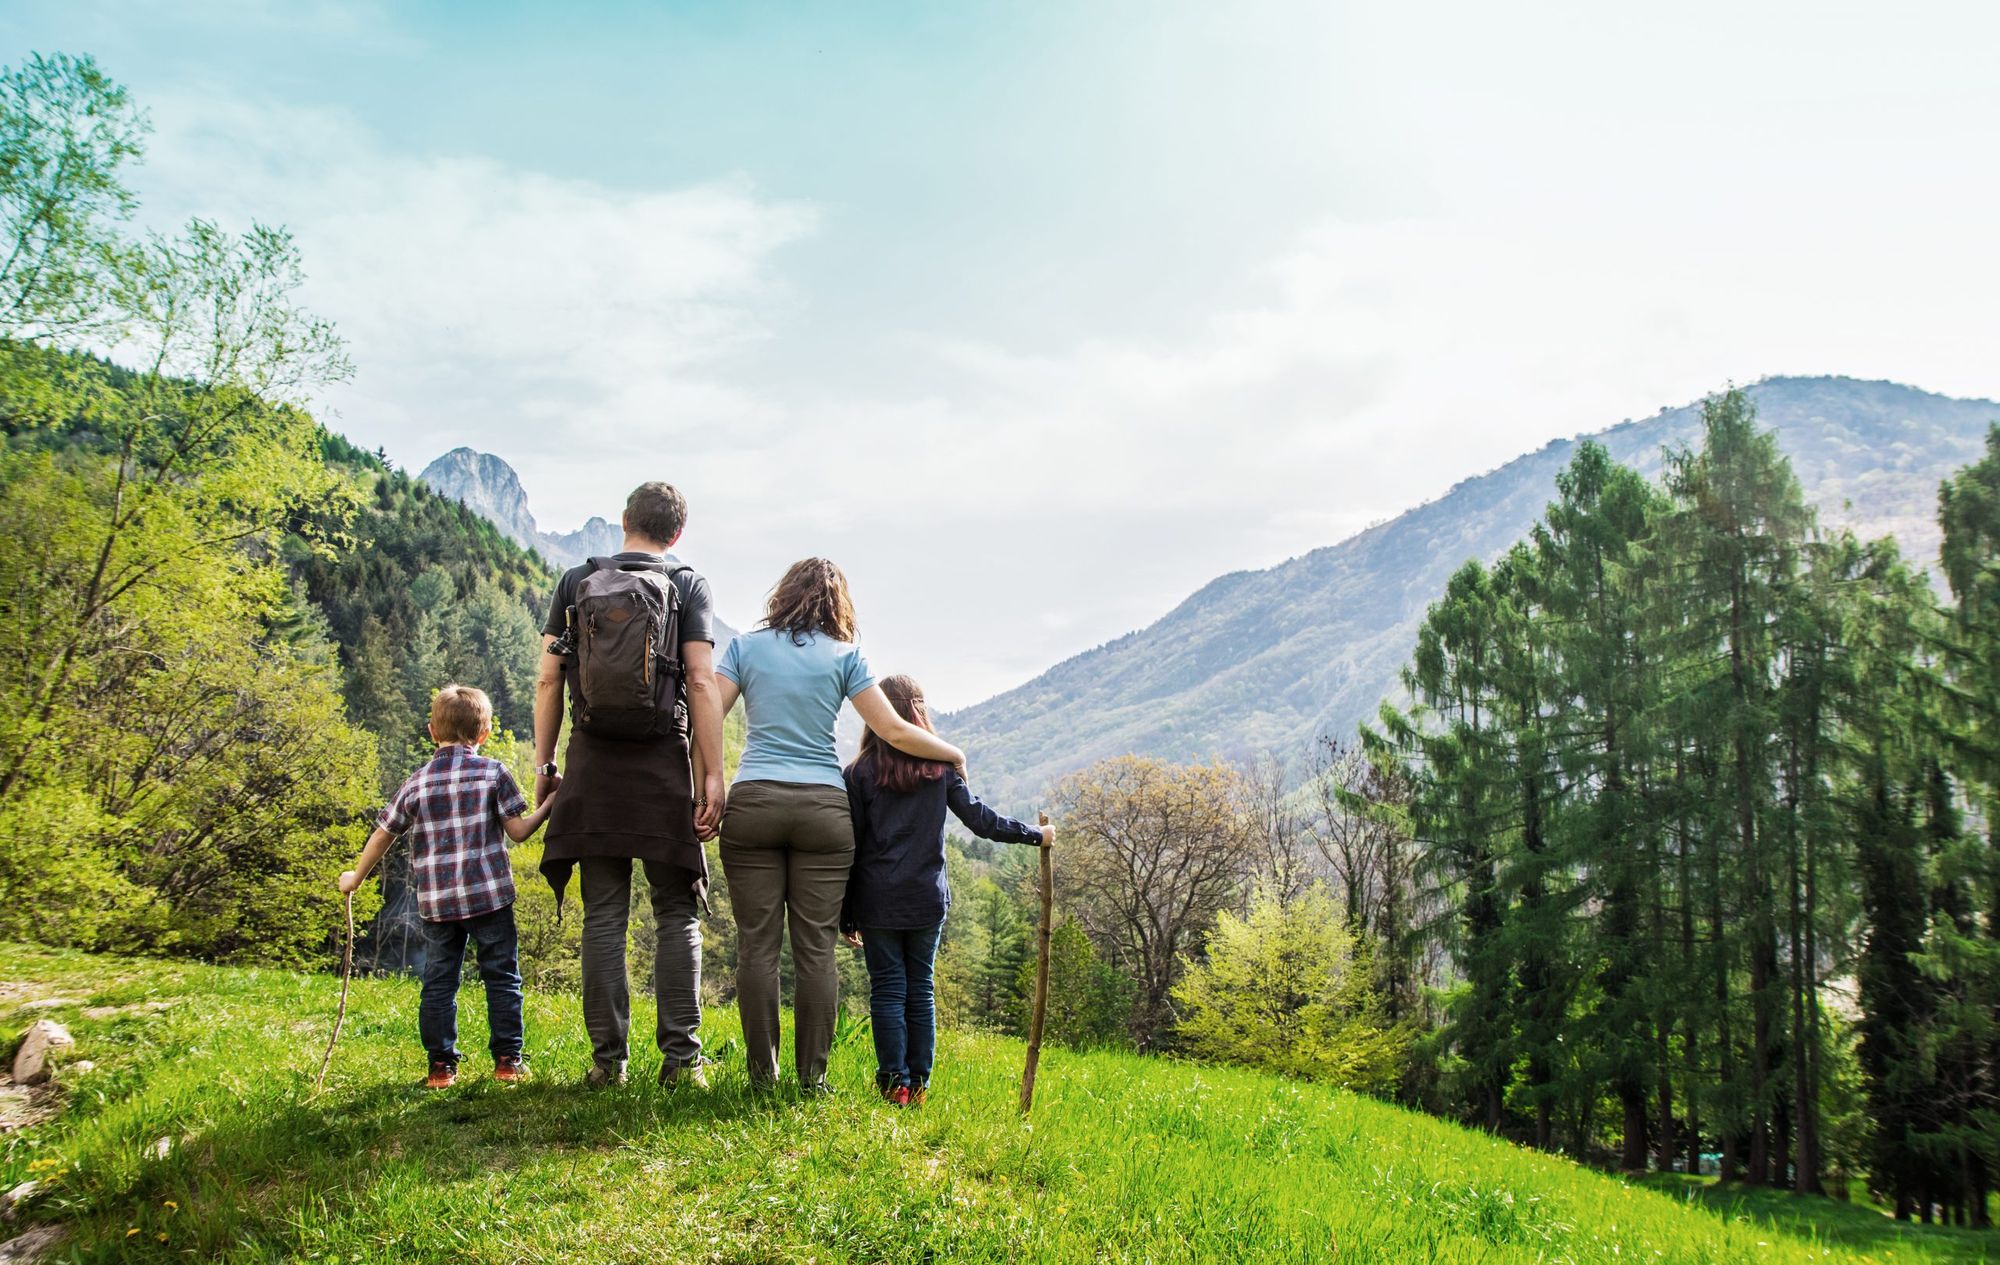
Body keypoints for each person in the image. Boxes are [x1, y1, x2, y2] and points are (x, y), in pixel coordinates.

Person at [716, 558, 966, 1091]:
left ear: (782, 595)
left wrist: (708, 783)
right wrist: (953, 752)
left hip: (754, 800)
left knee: (757, 947)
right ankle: (812, 1080)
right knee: (815, 949)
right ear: (838, 604)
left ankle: (763, 1077)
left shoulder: (744, 648)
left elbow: (706, 714)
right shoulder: (846, 655)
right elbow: (894, 731)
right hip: (822, 811)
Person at [533, 482, 726, 1089]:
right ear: (676, 534)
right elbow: (698, 682)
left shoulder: (575, 581)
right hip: (662, 761)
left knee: (604, 915)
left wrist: (545, 768)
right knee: (676, 914)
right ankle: (681, 1062)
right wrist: (711, 775)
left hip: (593, 762)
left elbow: (547, 681)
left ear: (623, 522)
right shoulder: (689, 584)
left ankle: (607, 1063)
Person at [841, 674, 1051, 1106]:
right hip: (925, 899)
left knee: (887, 990)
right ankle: (918, 1086)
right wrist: (1038, 835)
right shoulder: (940, 771)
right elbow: (983, 823)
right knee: (920, 988)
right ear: (919, 712)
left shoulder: (859, 773)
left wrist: (846, 911)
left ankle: (892, 1084)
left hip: (877, 899)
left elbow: (853, 846)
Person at [339, 684, 555, 1089]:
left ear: (431, 731)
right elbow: (520, 832)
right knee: (502, 976)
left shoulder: (417, 783)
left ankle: (441, 1068)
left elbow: (383, 834)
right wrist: (548, 805)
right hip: (489, 896)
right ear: (484, 733)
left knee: (439, 980)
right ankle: (508, 1061)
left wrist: (356, 877)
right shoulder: (494, 772)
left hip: (438, 903)